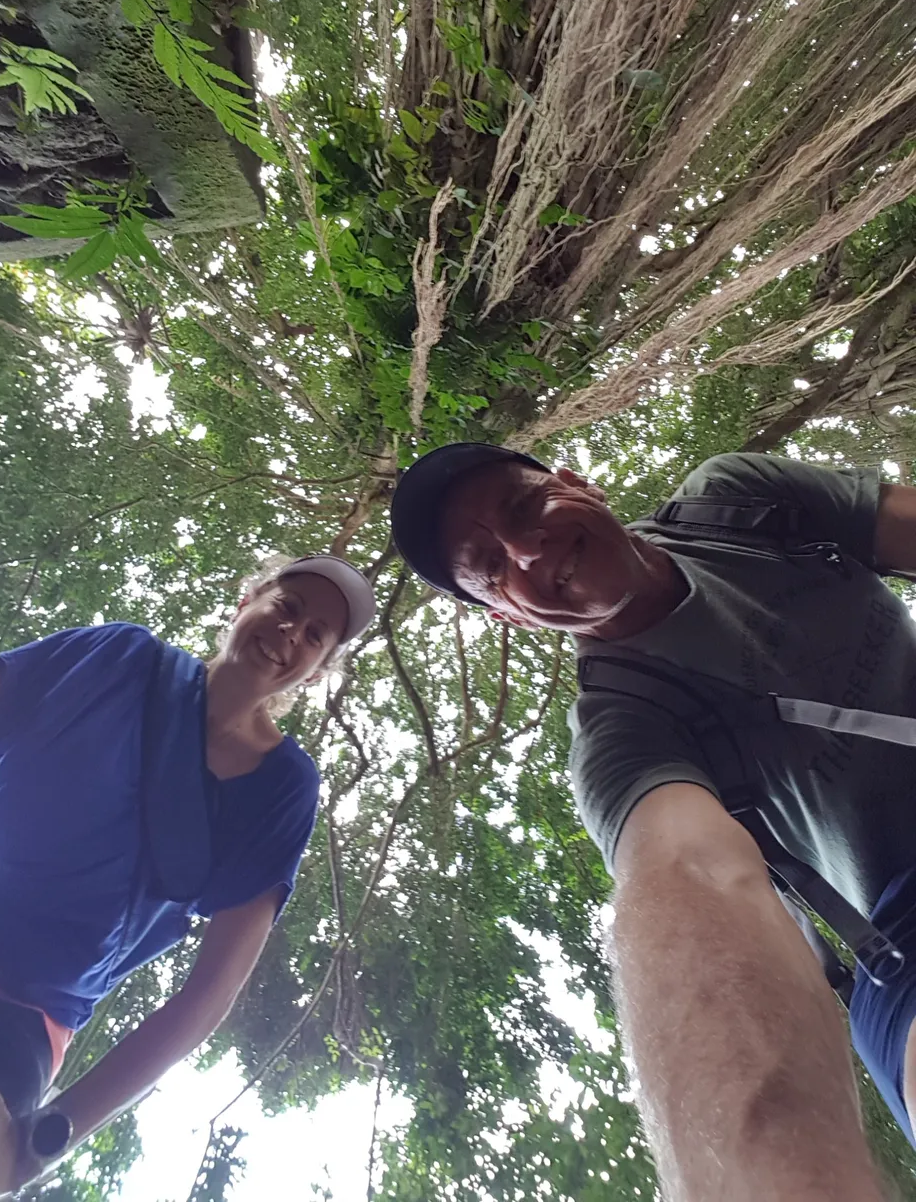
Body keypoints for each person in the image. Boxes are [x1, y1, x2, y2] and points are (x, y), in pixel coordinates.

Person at [390, 442, 916, 1202]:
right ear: (508, 612)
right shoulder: (622, 733)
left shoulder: (739, 504)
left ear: (575, 483)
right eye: (493, 566)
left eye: (522, 507)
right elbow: (692, 875)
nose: (528, 550)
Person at [0, 553, 375, 1200]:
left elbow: (208, 994)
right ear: (247, 600)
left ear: (318, 671)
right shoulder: (116, 660)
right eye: (288, 607)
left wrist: (43, 1138)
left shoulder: (281, 789)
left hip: (14, 1023)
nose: (294, 632)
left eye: (317, 635)